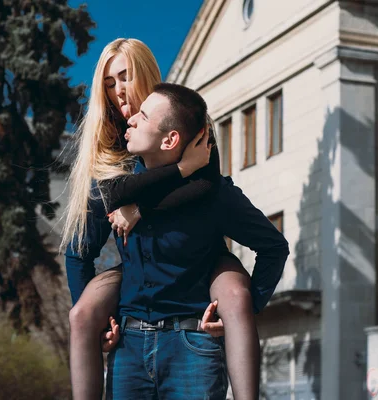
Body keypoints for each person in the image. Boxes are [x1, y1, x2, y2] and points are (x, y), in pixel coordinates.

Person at [61, 38, 277, 400]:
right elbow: (85, 238)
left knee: (236, 293)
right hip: (135, 291)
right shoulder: (115, 146)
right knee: (82, 313)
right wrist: (104, 324)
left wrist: (143, 207)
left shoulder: (187, 118)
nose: (119, 91)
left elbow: (206, 183)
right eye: (109, 83)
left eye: (125, 77)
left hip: (196, 276)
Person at [106, 82, 289, 399]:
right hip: (129, 348)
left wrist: (245, 310)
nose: (131, 119)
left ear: (170, 139)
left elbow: (274, 247)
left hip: (192, 347)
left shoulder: (214, 194)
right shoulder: (124, 188)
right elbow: (81, 249)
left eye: (144, 116)